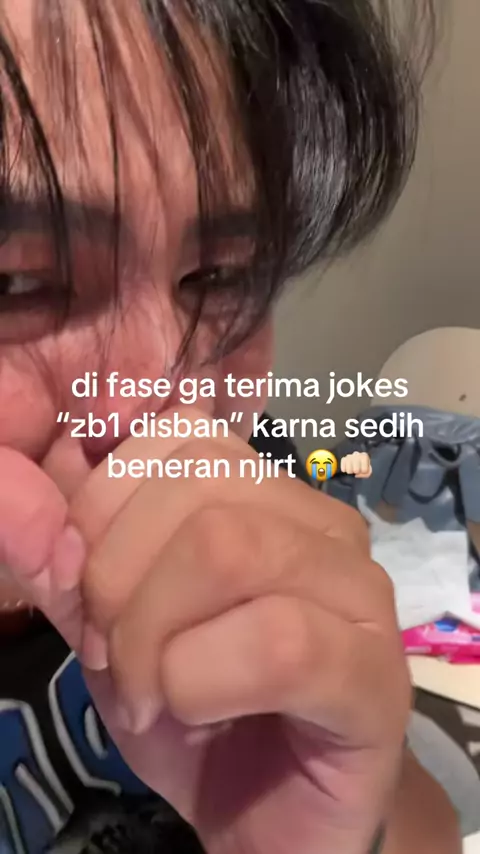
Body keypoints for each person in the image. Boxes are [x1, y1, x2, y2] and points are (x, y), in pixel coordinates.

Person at [0, 1, 462, 852]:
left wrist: (335, 828)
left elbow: (414, 810)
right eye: (14, 284)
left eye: (218, 276)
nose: (168, 402)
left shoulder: (235, 486)